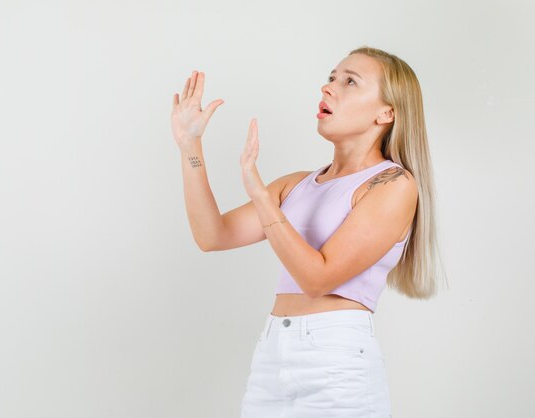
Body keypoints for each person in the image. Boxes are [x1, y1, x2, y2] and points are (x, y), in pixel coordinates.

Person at [171, 46, 446, 418]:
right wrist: (191, 145)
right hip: (272, 355)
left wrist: (261, 197)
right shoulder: (295, 185)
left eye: (350, 81)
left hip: (336, 360)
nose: (328, 88)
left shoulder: (393, 184)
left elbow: (317, 278)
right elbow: (212, 235)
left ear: (387, 112)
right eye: (332, 77)